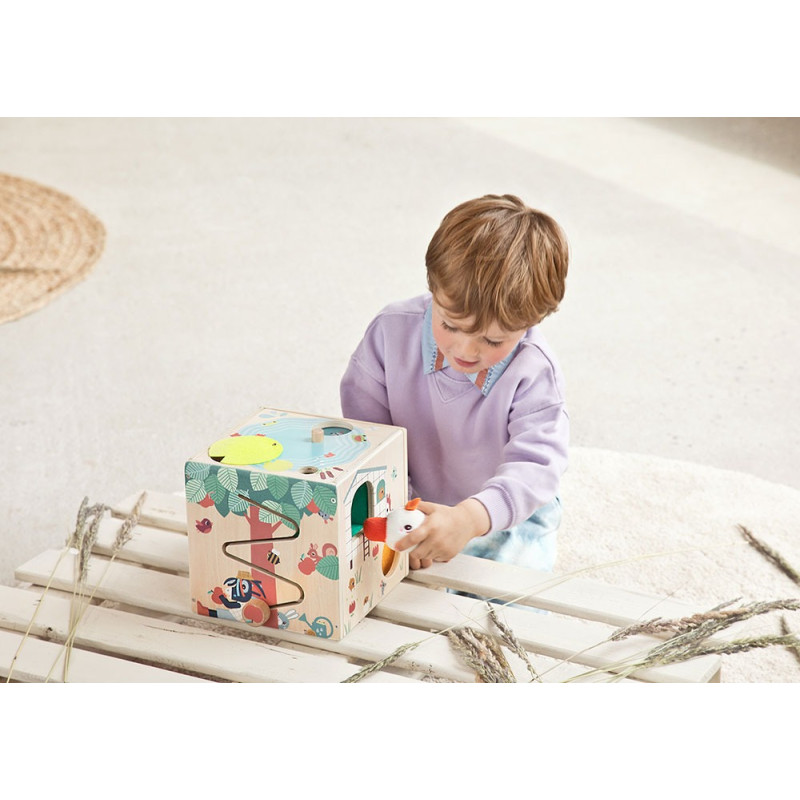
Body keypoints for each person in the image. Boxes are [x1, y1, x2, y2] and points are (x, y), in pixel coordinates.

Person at [340, 194, 569, 578]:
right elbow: (367, 437)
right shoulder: (390, 332)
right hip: (408, 503)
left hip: (502, 516)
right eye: (449, 325)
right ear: (433, 288)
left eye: (493, 340)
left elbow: (536, 468)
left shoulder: (535, 371)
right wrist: (405, 515)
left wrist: (468, 519)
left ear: (532, 322)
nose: (466, 350)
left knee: (508, 601)